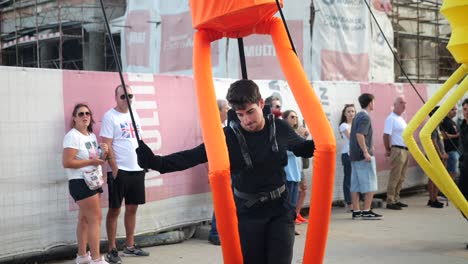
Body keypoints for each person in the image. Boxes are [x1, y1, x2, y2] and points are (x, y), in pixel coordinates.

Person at [136, 79, 315, 264]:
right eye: (240, 114)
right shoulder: (227, 137)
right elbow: (192, 156)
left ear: (261, 104)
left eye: (251, 112)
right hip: (247, 215)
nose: (247, 120)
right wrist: (156, 162)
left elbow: (303, 148)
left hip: (280, 210)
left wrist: (320, 141)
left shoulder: (280, 128)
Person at [100, 85, 149, 263]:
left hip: (137, 168)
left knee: (132, 208)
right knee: (114, 209)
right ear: (116, 97)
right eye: (123, 96)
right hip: (120, 170)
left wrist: (146, 162)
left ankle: (130, 245)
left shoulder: (134, 114)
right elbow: (106, 144)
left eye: (129, 96)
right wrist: (114, 167)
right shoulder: (109, 116)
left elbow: (140, 140)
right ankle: (112, 248)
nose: (126, 99)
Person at [62, 103, 109, 264]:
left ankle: (82, 256)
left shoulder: (91, 136)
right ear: (74, 118)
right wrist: (91, 161)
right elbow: (67, 162)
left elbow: (97, 160)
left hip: (93, 181)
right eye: (80, 114)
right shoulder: (72, 136)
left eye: (87, 113)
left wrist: (104, 151)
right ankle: (96, 259)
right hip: (80, 182)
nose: (85, 116)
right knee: (95, 219)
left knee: (84, 219)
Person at [349, 93, 382, 220]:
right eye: (374, 101)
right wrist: (366, 152)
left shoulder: (357, 116)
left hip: (354, 155)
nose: (374, 104)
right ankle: (367, 210)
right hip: (362, 155)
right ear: (370, 103)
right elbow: (360, 134)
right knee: (370, 183)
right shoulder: (365, 117)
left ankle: (356, 211)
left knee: (355, 184)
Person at [208, 99, 229, 246]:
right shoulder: (214, 128)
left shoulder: (225, 126)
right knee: (221, 201)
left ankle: (222, 231)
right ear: (219, 111)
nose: (228, 111)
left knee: (227, 201)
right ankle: (215, 232)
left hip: (228, 168)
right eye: (226, 109)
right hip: (219, 169)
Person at [383, 95, 409, 210]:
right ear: (395, 105)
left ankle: (396, 198)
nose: (404, 105)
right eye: (402, 103)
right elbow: (385, 135)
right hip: (397, 149)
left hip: (404, 149)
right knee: (395, 176)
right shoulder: (391, 118)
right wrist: (388, 149)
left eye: (405, 103)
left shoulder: (401, 119)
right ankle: (390, 200)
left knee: (401, 177)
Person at [282, 110, 307, 231]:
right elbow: (286, 150)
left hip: (296, 173)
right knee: (286, 203)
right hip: (287, 173)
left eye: (296, 117)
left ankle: (290, 227)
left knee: (292, 203)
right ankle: (286, 228)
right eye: (292, 117)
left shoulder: (294, 133)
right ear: (285, 119)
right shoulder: (283, 133)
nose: (295, 119)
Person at [427, 106, 446, 208]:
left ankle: (435, 198)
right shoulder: (433, 125)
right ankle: (432, 199)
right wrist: (440, 154)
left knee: (437, 178)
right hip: (434, 155)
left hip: (439, 155)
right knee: (433, 178)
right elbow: (434, 142)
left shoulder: (438, 126)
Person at [339, 104, 356, 211]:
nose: (351, 113)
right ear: (345, 114)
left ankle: (357, 202)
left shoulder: (356, 125)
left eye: (353, 111)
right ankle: (349, 203)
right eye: (348, 111)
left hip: (357, 154)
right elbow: (352, 137)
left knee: (356, 179)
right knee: (348, 179)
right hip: (347, 154)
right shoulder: (344, 125)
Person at [440, 106, 460, 183]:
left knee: (454, 172)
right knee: (451, 171)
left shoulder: (453, 122)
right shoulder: (445, 121)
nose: (455, 111)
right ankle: (448, 189)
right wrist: (456, 136)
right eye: (452, 109)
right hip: (450, 150)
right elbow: (443, 135)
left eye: (455, 109)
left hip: (455, 150)